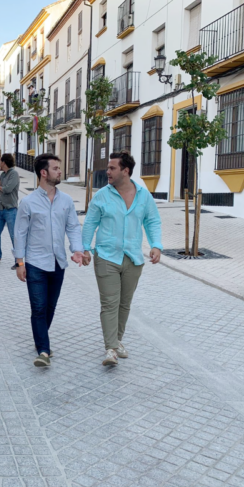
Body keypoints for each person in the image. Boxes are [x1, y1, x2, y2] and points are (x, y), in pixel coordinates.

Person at [82, 151, 163, 367]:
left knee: (124, 304)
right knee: (110, 303)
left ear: (125, 171)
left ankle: (117, 342)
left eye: (112, 168)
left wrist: (156, 245)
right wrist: (85, 248)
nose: (107, 171)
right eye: (108, 168)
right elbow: (90, 222)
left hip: (133, 259)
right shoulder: (102, 196)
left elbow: (153, 221)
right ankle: (110, 348)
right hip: (107, 256)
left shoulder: (143, 196)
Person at [14, 154, 83, 368]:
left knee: (50, 307)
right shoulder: (28, 202)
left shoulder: (67, 201)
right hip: (35, 263)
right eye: (56, 168)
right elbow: (20, 233)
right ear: (44, 173)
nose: (60, 172)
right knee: (38, 307)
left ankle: (40, 339)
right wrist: (20, 262)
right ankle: (43, 350)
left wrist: (77, 249)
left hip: (58, 262)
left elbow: (73, 227)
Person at [0, 153, 19, 270]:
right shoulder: (2, 175)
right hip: (0, 209)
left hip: (11, 210)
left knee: (13, 236)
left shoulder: (14, 174)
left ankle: (18, 261)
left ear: (4, 162)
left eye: (0, 162)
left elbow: (7, 189)